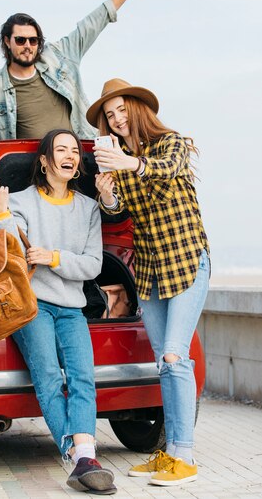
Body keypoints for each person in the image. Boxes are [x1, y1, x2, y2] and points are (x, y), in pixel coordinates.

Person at [87, 78, 210, 487]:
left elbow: (165, 170)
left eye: (122, 110)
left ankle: (185, 457)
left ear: (138, 110)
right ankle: (172, 451)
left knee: (176, 357)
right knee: (163, 362)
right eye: (110, 115)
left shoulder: (170, 143)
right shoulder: (119, 161)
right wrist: (106, 194)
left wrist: (129, 164)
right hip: (152, 272)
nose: (117, 120)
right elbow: (119, 211)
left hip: (188, 262)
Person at [0, 129, 116, 495]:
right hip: (32, 306)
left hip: (72, 307)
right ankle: (78, 455)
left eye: (74, 151)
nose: (70, 155)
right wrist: (1, 212)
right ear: (44, 160)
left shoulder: (89, 208)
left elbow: (92, 265)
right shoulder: (22, 201)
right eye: (60, 150)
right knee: (47, 377)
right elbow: (10, 251)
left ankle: (85, 456)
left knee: (82, 378)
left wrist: (54, 257)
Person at [0, 0, 150, 148]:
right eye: (20, 40)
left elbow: (90, 25)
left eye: (33, 40)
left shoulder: (57, 56)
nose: (28, 46)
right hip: (33, 170)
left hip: (80, 156)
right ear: (7, 41)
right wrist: (2, 155)